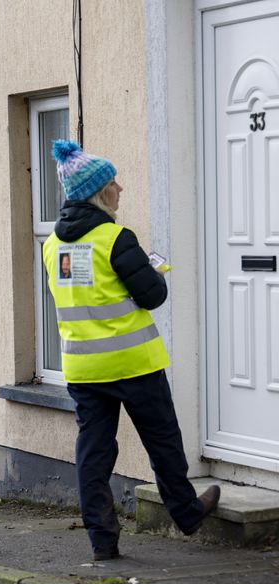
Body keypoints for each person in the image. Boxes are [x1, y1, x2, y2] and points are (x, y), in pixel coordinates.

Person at [43, 139, 220, 561]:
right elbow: (152, 296)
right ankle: (187, 513)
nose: (120, 188)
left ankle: (103, 540)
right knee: (163, 441)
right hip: (133, 363)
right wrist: (153, 269)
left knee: (94, 453)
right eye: (113, 182)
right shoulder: (116, 238)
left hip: (83, 369)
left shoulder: (52, 244)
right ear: (99, 192)